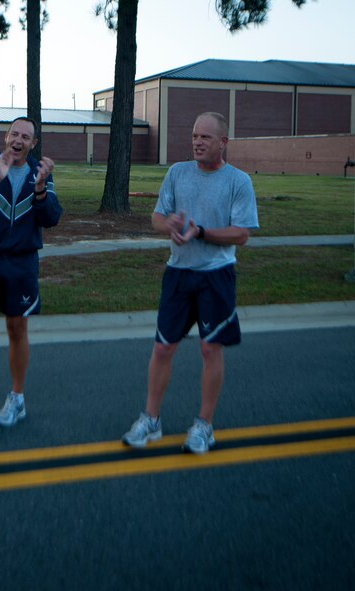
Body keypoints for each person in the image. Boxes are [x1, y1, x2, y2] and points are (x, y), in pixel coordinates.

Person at [121, 111, 259, 454]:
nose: (197, 142)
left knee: (210, 349)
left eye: (206, 137)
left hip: (216, 277)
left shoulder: (238, 181)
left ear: (223, 143)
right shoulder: (177, 173)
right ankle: (150, 419)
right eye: (195, 136)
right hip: (178, 275)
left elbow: (242, 234)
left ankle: (204, 425)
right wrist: (168, 226)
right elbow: (156, 217)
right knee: (163, 347)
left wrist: (201, 232)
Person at [0, 116, 63, 445]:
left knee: (18, 329)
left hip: (21, 263)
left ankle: (17, 399)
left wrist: (41, 189)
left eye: (26, 137)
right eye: (14, 134)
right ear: (6, 137)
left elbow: (52, 218)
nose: (19, 140)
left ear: (33, 144)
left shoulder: (40, 173)